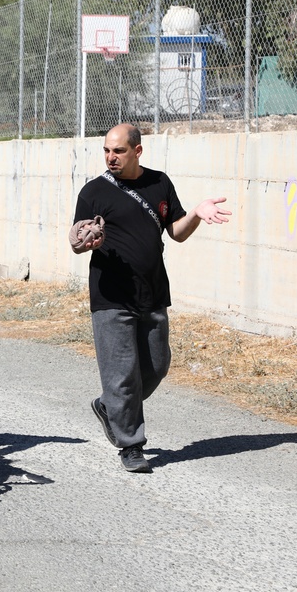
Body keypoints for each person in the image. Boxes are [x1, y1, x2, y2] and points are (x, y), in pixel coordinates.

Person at [71, 123, 231, 472]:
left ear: (137, 151)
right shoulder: (94, 191)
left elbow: (176, 232)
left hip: (153, 292)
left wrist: (197, 215)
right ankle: (131, 444)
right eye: (106, 151)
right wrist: (87, 242)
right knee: (122, 375)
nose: (111, 157)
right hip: (111, 296)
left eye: (119, 151)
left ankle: (109, 406)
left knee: (156, 367)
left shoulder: (159, 182)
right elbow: (78, 241)